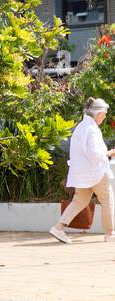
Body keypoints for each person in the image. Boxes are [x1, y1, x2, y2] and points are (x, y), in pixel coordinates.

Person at [50, 97, 115, 243]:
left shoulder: (82, 126)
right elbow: (94, 154)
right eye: (104, 113)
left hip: (82, 173)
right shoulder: (91, 129)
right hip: (95, 172)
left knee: (80, 201)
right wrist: (110, 153)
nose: (105, 117)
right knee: (107, 198)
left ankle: (58, 228)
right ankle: (110, 233)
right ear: (98, 114)